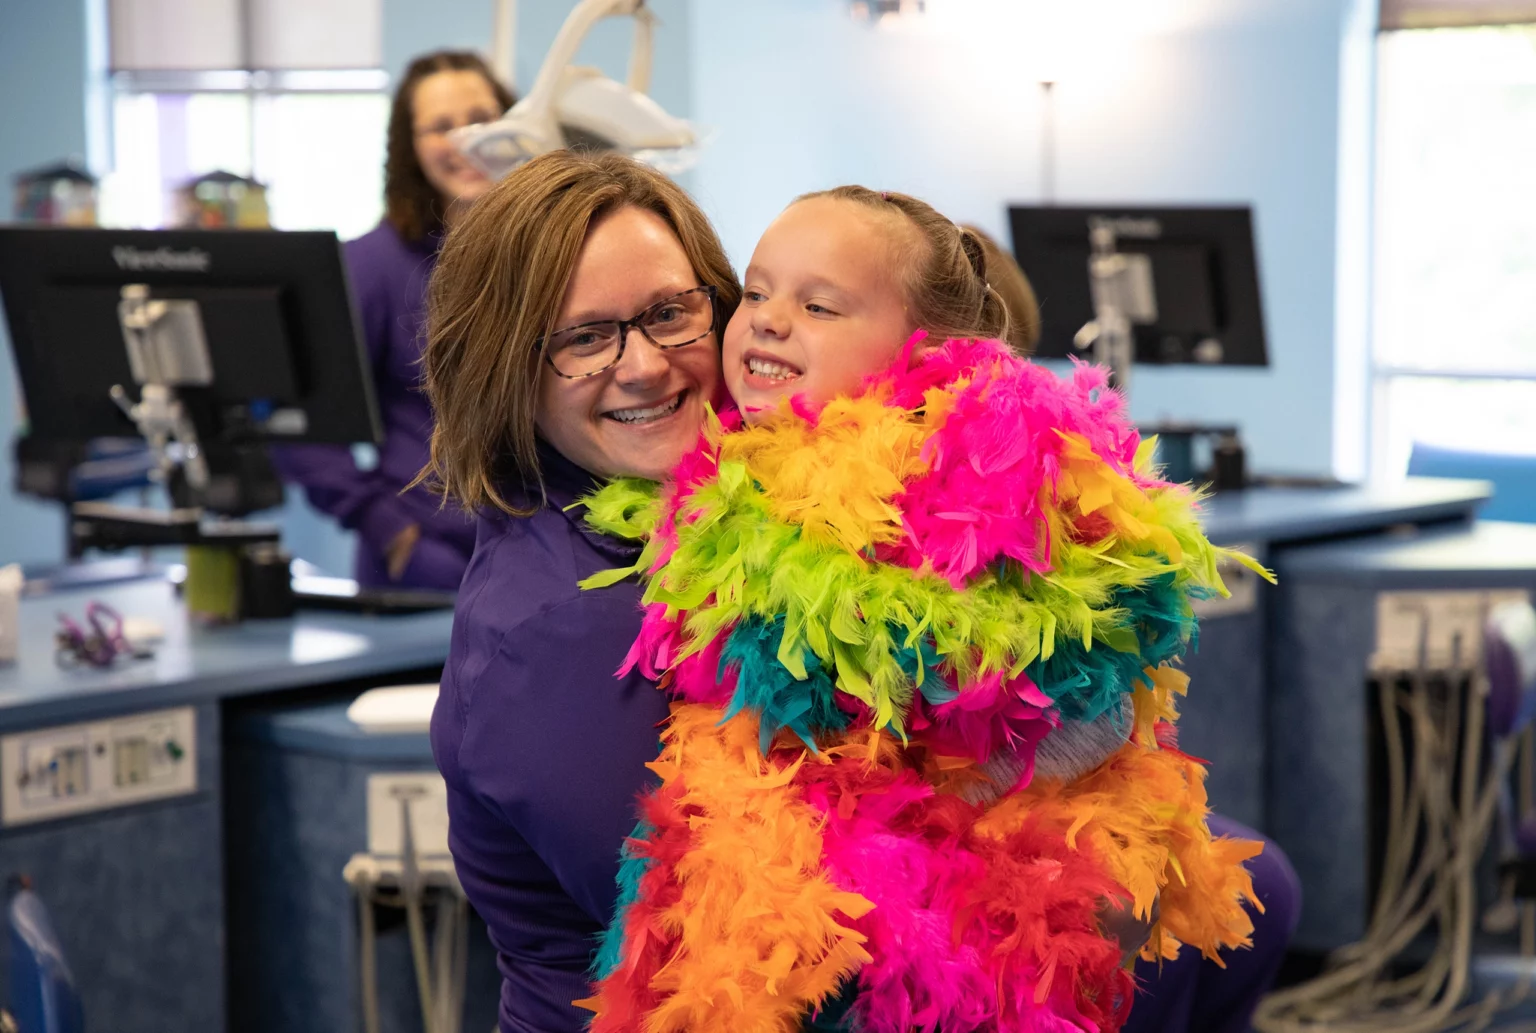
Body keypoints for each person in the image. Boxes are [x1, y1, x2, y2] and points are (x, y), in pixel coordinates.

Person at [579, 187, 1273, 1031]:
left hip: (980, 906)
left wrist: (925, 749)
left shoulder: (984, 487)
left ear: (927, 350)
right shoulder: (728, 472)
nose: (766, 318)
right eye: (755, 292)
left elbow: (1087, 708)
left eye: (818, 303)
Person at [420, 151, 742, 1033]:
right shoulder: (565, 625)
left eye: (671, 313)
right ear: (505, 369)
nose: (643, 366)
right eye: (584, 337)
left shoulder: (700, 524)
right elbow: (739, 933)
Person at [963, 223, 1303, 1033]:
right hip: (973, 800)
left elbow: (1104, 715)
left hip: (1060, 771)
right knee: (1122, 910)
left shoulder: (1034, 478)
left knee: (1256, 881)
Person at [271, 51, 514, 590]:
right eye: (440, 126)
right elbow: (299, 424)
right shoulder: (371, 266)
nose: (466, 139)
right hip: (423, 566)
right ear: (410, 147)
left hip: (536, 556)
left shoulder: (545, 256)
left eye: (481, 118)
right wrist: (391, 533)